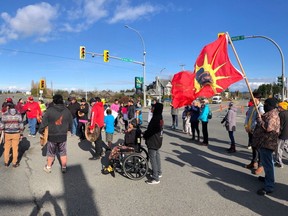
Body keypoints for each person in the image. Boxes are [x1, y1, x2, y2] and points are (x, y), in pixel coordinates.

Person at [252, 98, 280, 196]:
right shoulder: (271, 113)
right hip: (265, 142)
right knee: (268, 163)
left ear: (270, 105)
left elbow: (268, 128)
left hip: (267, 143)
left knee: (268, 165)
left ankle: (269, 186)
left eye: (266, 104)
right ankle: (268, 179)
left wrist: (260, 120)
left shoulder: (272, 115)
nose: (264, 105)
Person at [39, 94, 73, 173]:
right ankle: (64, 167)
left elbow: (44, 122)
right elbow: (71, 122)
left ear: (54, 101)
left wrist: (41, 131)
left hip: (52, 135)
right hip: (63, 135)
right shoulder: (67, 110)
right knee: (63, 151)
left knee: (51, 152)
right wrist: (69, 130)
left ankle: (48, 167)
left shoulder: (49, 110)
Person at [143, 102, 164, 185]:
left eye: (152, 108)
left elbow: (151, 130)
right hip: (158, 139)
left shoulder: (155, 118)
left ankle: (155, 178)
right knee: (157, 156)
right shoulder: (160, 117)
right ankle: (158, 172)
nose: (151, 109)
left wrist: (144, 134)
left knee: (153, 158)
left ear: (156, 109)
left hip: (153, 140)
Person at [244, 92, 265, 174]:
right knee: (253, 147)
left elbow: (261, 117)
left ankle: (260, 165)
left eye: (253, 98)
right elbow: (247, 117)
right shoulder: (251, 107)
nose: (252, 99)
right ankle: (253, 162)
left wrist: (261, 114)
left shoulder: (261, 107)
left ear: (257, 98)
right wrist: (246, 126)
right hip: (250, 130)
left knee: (259, 148)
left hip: (257, 131)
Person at [0, 102, 24, 168]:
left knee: (7, 148)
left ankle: (6, 162)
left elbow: (1, 125)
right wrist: (21, 133)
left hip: (7, 133)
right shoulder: (18, 114)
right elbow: (21, 125)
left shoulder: (5, 114)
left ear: (8, 107)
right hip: (16, 133)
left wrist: (2, 130)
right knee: (15, 148)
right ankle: (14, 163)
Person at [274, 101, 288, 168]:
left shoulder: (281, 114)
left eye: (279, 107)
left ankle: (279, 162)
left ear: (282, 107)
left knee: (279, 149)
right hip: (287, 134)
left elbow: (280, 126)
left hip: (282, 134)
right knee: (285, 147)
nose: (278, 108)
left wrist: (276, 134)